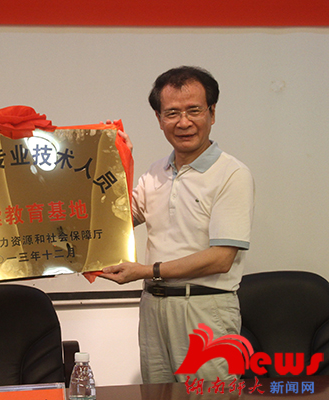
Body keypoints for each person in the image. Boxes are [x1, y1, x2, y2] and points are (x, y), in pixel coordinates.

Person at [100, 66, 255, 383]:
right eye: (172, 113)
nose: (183, 122)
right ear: (159, 119)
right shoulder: (155, 172)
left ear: (212, 113)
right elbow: (114, 220)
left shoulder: (232, 174)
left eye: (193, 110)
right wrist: (114, 163)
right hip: (154, 307)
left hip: (204, 309)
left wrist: (146, 271)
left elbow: (221, 258)